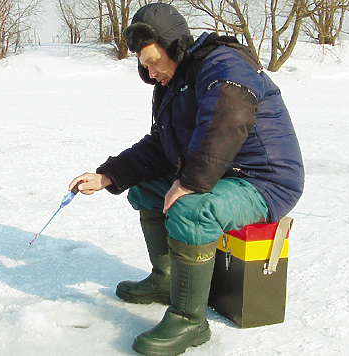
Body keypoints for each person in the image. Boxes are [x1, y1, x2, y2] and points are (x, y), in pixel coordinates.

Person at [69, 3, 304, 355]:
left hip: (265, 180)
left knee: (192, 209)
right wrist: (107, 175)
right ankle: (166, 280)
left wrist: (191, 181)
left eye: (153, 62)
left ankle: (189, 320)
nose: (150, 73)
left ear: (174, 45)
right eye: (144, 66)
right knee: (147, 189)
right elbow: (160, 146)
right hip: (224, 172)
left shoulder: (223, 64)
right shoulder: (174, 83)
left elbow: (229, 116)